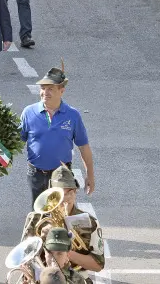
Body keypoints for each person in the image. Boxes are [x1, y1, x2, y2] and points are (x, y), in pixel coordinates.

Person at [20, 66, 94, 203]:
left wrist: (90, 175)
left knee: (61, 215)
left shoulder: (73, 115)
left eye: (50, 89)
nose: (45, 92)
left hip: (62, 176)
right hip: (35, 174)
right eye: (42, 88)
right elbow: (18, 141)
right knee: (39, 216)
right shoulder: (28, 112)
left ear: (61, 91)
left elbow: (83, 147)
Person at [21, 166, 104, 282]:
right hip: (43, 277)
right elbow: (24, 258)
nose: (65, 198)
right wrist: (42, 241)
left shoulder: (90, 223)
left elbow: (98, 265)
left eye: (70, 192)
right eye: (59, 194)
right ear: (50, 194)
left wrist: (64, 251)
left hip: (77, 278)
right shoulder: (36, 219)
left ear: (75, 192)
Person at [21, 228, 86, 284]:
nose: (53, 258)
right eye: (50, 253)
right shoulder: (34, 270)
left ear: (67, 256)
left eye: (59, 253)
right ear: (45, 253)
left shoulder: (77, 280)